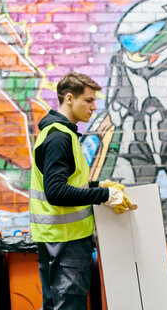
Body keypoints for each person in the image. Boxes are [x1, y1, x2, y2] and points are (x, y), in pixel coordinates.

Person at [29, 72, 136, 309]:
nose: (94, 107)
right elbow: (56, 192)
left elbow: (69, 183)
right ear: (69, 98)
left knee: (57, 305)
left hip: (60, 241)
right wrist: (103, 196)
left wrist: (100, 186)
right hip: (66, 242)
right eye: (88, 100)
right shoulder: (59, 137)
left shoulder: (60, 133)